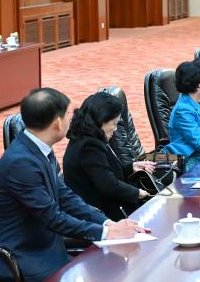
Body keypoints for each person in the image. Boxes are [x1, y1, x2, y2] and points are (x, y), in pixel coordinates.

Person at [0, 88, 146, 282]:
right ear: (57, 122)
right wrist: (106, 233)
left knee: (111, 273)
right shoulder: (21, 162)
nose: (71, 120)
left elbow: (67, 198)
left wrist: (108, 224)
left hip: (48, 251)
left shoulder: (38, 150)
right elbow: (53, 217)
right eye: (67, 116)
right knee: (104, 281)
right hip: (25, 259)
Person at [62, 92, 158, 222]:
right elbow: (108, 185)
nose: (115, 129)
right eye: (114, 123)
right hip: (103, 216)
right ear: (102, 120)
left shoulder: (86, 137)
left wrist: (130, 167)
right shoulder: (89, 146)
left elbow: (101, 171)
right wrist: (139, 193)